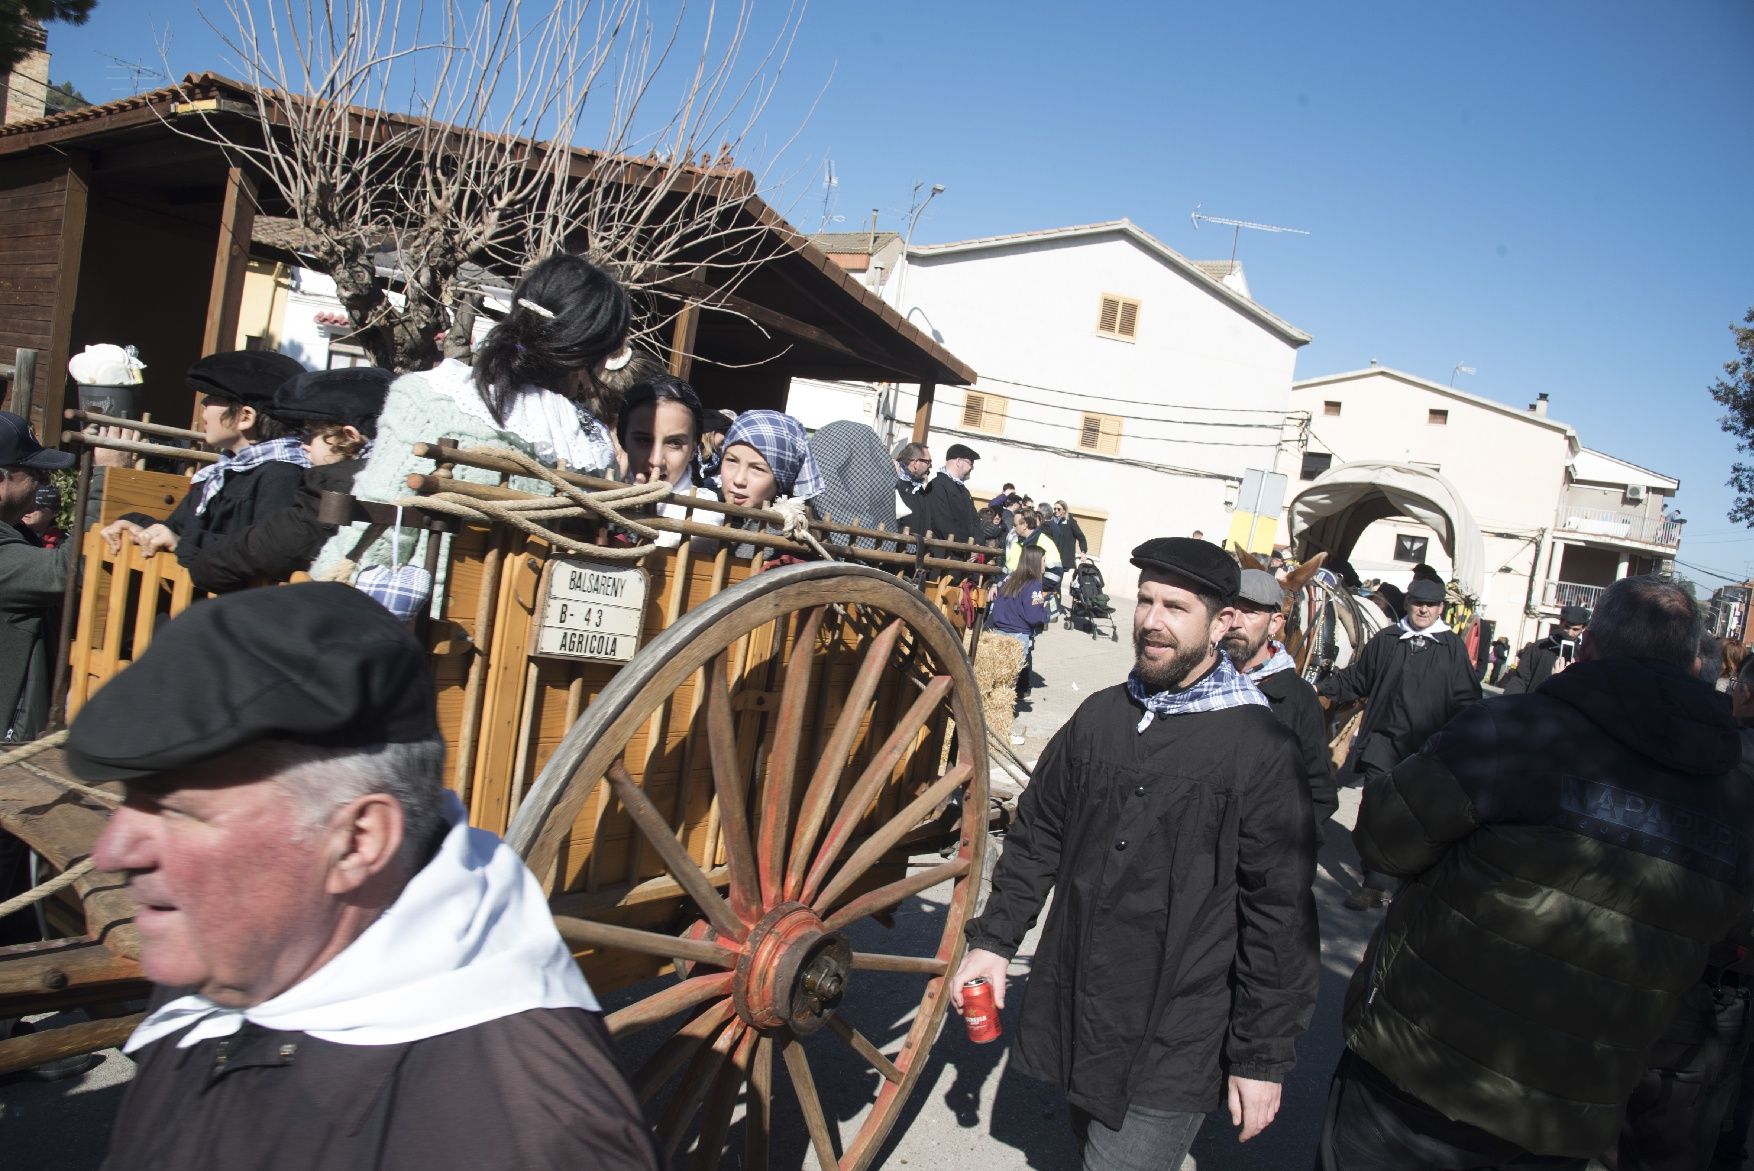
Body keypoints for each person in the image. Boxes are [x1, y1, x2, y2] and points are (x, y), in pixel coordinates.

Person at [74, 583, 660, 1169]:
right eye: (130, 798)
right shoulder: (235, 950)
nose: (111, 850)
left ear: (357, 842)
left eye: (177, 810)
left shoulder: (538, 1139)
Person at [1318, 575, 1754, 1171]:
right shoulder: (1737, 795)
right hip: (1568, 1115)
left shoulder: (1514, 732)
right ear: (1692, 662)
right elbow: (1731, 927)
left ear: (1590, 646)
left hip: (1423, 1076)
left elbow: (1385, 839)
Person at [954, 538, 1318, 1171]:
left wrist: (1261, 1059)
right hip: (1082, 1004)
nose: (1152, 620)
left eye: (1176, 607)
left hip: (1178, 1028)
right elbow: (1038, 836)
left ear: (1221, 622)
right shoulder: (1101, 718)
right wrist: (993, 943)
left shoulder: (1260, 747)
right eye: (1146, 601)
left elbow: (1279, 914)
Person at [312, 253, 632, 587]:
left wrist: (318, 586)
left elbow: (375, 533)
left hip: (427, 617)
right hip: (538, 622)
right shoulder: (588, 444)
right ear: (588, 357)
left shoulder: (429, 397)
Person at [1317, 575, 1479, 910]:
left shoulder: (1452, 649)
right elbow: (1357, 679)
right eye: (1418, 602)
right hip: (1381, 742)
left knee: (1412, 819)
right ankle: (1374, 885)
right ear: (1407, 602)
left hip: (1426, 751)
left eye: (1431, 605)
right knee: (1377, 812)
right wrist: (1316, 688)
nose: (1423, 609)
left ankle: (1404, 880)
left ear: (1440, 609)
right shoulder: (1388, 639)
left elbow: (1467, 701)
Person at [185, 367, 393, 593]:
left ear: (350, 436)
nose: (304, 444)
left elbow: (277, 544)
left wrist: (202, 564)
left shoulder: (334, 481)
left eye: (312, 435)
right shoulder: (389, 475)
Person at [102, 351, 310, 566]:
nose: (204, 406)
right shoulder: (221, 473)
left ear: (245, 417)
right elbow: (176, 531)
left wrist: (186, 544)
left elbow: (264, 552)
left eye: (213, 399)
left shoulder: (283, 476)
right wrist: (136, 526)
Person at [1223, 568, 1339, 842]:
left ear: (1275, 623)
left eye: (1250, 612)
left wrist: (1277, 852)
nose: (1235, 622)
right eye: (1230, 610)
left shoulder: (1296, 698)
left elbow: (1319, 792)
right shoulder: (1195, 678)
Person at [614, 371, 725, 549]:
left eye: (674, 443)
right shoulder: (600, 498)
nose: (656, 461)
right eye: (643, 440)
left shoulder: (703, 515)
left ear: (692, 450)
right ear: (623, 440)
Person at [989, 545, 1051, 710]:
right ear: (1036, 562)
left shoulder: (1010, 579)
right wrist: (1045, 613)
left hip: (998, 633)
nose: (1046, 565)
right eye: (1044, 561)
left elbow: (998, 608)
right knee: (1007, 685)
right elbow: (1033, 616)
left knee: (995, 681)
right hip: (1017, 637)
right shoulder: (1034, 585)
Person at [1500, 605, 1588, 694]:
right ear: (1561, 622)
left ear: (1583, 629)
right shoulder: (1539, 646)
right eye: (1567, 627)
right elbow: (1521, 678)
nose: (1570, 633)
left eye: (1575, 629)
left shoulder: (1582, 654)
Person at [1004, 508, 1063, 576]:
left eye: (1015, 525)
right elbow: (1007, 570)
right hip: (1013, 585)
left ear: (1024, 525)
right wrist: (996, 584)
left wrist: (1034, 586)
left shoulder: (1046, 543)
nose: (1013, 528)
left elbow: (1055, 574)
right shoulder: (1017, 543)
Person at [892, 440, 934, 534]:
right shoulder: (895, 486)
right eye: (928, 462)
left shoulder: (919, 489)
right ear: (915, 463)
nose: (930, 466)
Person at [1043, 500, 1088, 570]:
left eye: (1058, 509)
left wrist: (1083, 552)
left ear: (1064, 510)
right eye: (1054, 509)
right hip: (1051, 561)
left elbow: (1081, 537)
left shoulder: (1070, 522)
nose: (1056, 511)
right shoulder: (1051, 522)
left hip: (1065, 562)